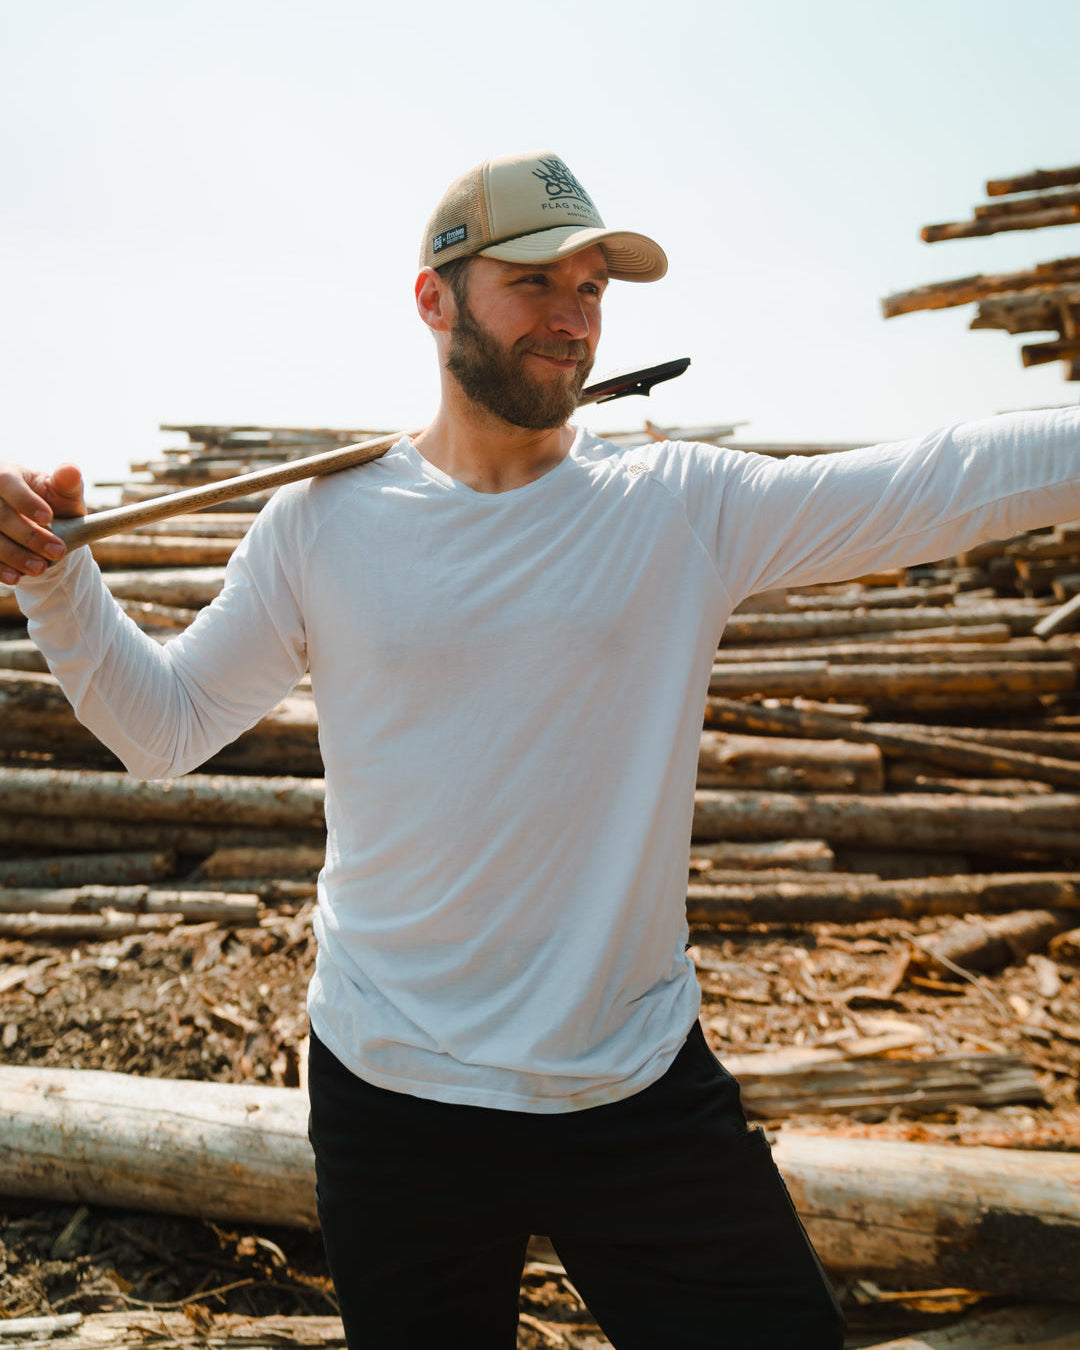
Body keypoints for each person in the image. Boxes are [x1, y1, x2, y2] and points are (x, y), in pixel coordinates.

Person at [3, 149, 1080, 1350]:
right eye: (535, 284)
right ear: (435, 299)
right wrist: (55, 578)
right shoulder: (321, 523)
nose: (574, 318)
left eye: (592, 289)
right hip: (391, 1092)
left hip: (632, 1086)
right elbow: (163, 730)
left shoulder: (677, 506)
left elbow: (946, 480)